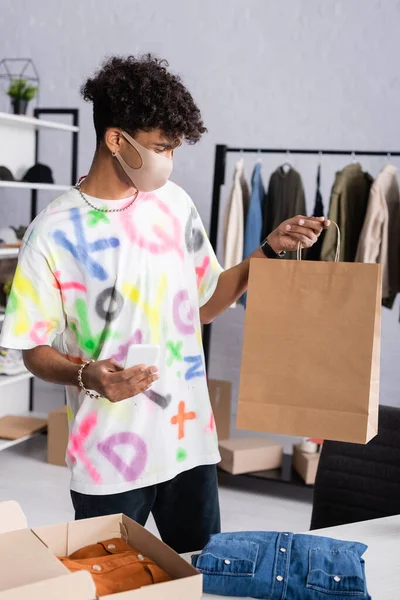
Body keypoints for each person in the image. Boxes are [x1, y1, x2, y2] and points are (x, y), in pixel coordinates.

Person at [0, 55, 329, 554]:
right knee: (110, 583)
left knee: (203, 574)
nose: (169, 161)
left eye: (173, 149)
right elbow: (32, 349)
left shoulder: (175, 205)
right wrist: (89, 375)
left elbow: (203, 304)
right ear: (116, 140)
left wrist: (266, 251)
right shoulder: (53, 232)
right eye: (160, 147)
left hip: (188, 443)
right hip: (109, 457)